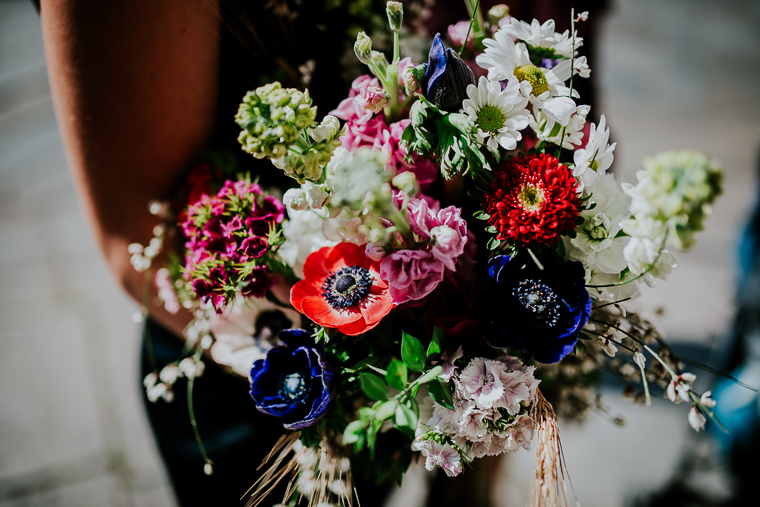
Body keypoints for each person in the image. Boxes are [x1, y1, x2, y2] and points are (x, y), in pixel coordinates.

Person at [39, 1, 607, 505]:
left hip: (432, 363)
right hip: (260, 368)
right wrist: (424, 390)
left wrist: (493, 373)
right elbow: (134, 229)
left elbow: (564, 57)